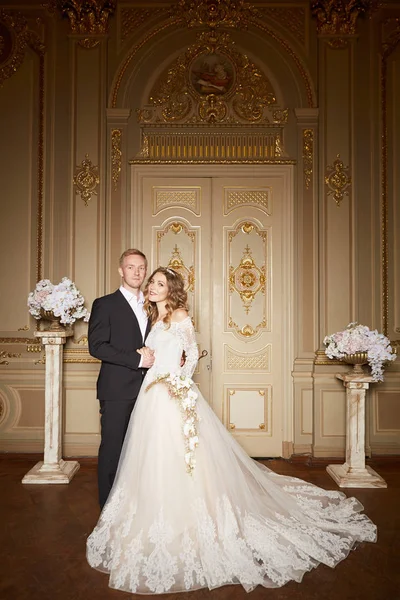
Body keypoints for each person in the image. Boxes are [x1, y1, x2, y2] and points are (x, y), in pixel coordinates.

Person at [87, 268, 377, 594]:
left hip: (173, 393)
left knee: (186, 457)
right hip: (149, 395)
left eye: (159, 283)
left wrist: (180, 381)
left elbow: (193, 353)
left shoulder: (180, 314)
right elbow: (147, 353)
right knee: (151, 456)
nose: (152, 287)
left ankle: (195, 518)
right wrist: (143, 356)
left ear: (171, 290)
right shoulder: (152, 317)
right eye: (151, 282)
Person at [88, 249, 155, 509]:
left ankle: (137, 505)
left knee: (143, 450)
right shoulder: (104, 304)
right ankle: (108, 508)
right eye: (131, 267)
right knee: (113, 450)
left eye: (141, 268)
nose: (136, 272)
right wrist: (136, 360)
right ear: (121, 270)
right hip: (116, 390)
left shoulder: (153, 305)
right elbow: (97, 346)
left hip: (150, 389)